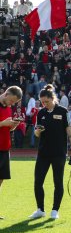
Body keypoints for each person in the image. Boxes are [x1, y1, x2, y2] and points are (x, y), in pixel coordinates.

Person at [29, 85, 71, 220]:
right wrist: (38, 131)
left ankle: (55, 210)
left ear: (53, 98)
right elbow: (36, 133)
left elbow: (69, 131)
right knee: (38, 181)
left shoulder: (62, 111)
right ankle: (40, 209)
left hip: (59, 153)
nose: (44, 104)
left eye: (47, 101)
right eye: (42, 102)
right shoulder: (41, 113)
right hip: (43, 153)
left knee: (58, 182)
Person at [0, 86, 23, 218]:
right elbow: (2, 124)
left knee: (1, 180)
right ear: (6, 94)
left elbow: (6, 129)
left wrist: (12, 126)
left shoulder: (8, 108)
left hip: (4, 148)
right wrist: (3, 123)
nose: (12, 104)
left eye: (14, 103)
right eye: (12, 101)